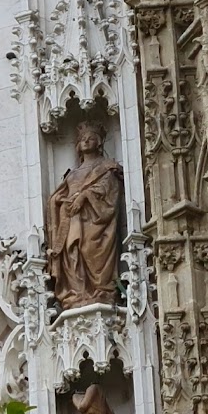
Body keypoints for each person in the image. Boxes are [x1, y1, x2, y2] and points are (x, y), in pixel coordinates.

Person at [44, 117, 126, 308]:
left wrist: (84, 196)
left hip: (94, 219)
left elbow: (109, 189)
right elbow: (58, 196)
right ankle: (77, 292)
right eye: (83, 139)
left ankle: (101, 290)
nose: (86, 141)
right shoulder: (73, 173)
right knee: (73, 250)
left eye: (91, 137)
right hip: (72, 218)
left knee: (89, 248)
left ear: (100, 142)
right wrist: (59, 201)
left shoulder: (106, 167)